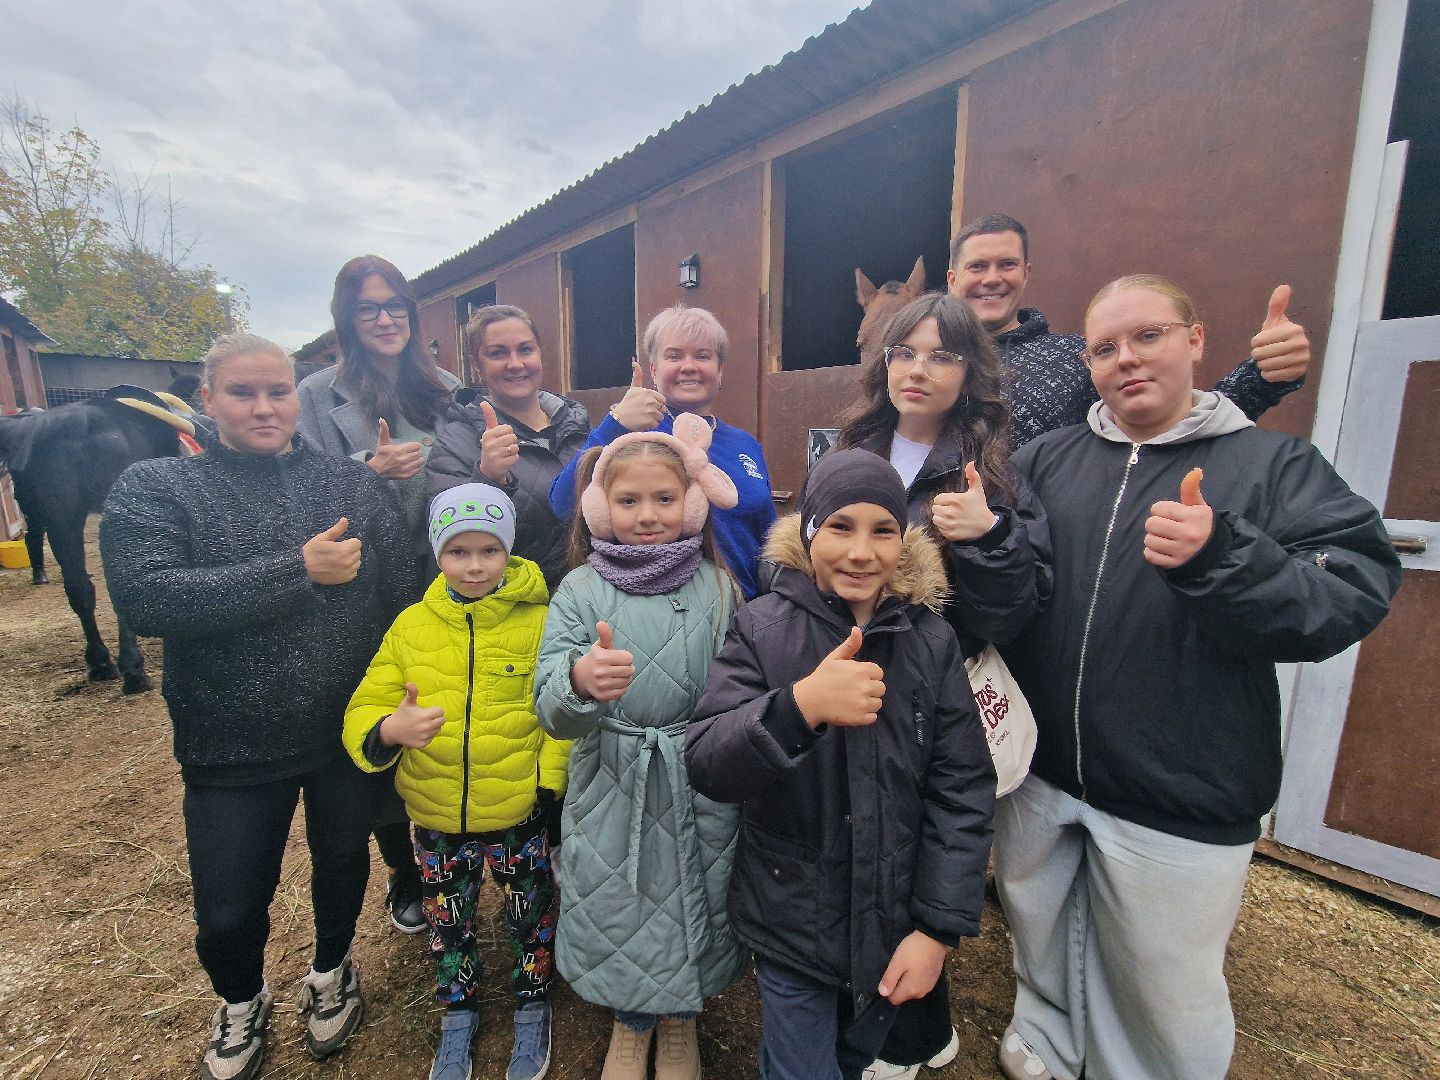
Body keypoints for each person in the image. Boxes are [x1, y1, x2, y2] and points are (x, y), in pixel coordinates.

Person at [992, 275, 1400, 1080]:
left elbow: (1349, 592)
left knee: (1162, 988)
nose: (1125, 360)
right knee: (1039, 931)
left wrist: (1224, 555)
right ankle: (1045, 1037)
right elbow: (1014, 585)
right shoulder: (1047, 458)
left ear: (1195, 341)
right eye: (1105, 348)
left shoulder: (1268, 463)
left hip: (1180, 782)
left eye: (1147, 336)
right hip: (1043, 771)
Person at [100, 333, 417, 1080]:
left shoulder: (352, 485)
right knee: (229, 907)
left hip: (344, 728)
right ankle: (241, 998)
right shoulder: (158, 488)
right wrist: (295, 572)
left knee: (342, 863)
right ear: (209, 401)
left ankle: (333, 967)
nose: (264, 406)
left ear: (296, 397)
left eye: (277, 391)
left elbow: (402, 595)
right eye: (243, 393)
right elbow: (147, 598)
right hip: (230, 738)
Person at [686, 449, 997, 1080]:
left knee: (855, 1059)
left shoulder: (931, 642)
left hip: (893, 920)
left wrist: (936, 929)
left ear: (902, 542)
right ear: (808, 532)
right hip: (792, 915)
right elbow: (709, 761)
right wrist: (798, 707)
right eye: (840, 527)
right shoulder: (763, 630)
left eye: (882, 531)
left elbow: (961, 787)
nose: (861, 552)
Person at [838, 293, 1050, 1079]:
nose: (918, 370)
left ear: (971, 369)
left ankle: (913, 1032)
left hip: (939, 695)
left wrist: (989, 537)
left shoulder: (991, 466)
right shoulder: (852, 446)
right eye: (904, 352)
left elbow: (1018, 610)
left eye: (941, 354)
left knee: (919, 853)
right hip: (858, 677)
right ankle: (901, 1019)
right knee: (864, 846)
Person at [536, 416, 747, 1080]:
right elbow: (547, 703)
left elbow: (741, 684)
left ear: (690, 503)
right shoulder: (578, 591)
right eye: (629, 501)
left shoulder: (718, 587)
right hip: (612, 777)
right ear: (600, 506)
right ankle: (630, 1022)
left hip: (699, 773)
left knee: (697, 889)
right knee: (620, 899)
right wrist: (579, 682)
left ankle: (680, 1020)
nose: (648, 515)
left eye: (664, 499)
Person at [342, 483, 570, 1080]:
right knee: (448, 919)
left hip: (518, 810)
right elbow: (366, 705)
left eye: (488, 550)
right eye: (458, 551)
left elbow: (556, 712)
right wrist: (389, 729)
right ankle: (458, 1010)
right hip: (437, 816)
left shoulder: (542, 621)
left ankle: (532, 1000)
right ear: (438, 555)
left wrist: (548, 786)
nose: (474, 565)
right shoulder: (411, 627)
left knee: (531, 913)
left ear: (509, 552)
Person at [297, 254, 461, 935]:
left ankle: (458, 846)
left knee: (445, 713)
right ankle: (405, 868)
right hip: (363, 586)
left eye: (396, 305)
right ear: (348, 319)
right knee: (385, 712)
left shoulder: (447, 388)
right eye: (369, 308)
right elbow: (300, 486)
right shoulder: (315, 395)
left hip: (440, 577)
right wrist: (368, 469)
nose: (386, 318)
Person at [946, 213, 1312, 447]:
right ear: (953, 279)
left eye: (1006, 264)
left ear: (1025, 273)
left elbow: (1179, 420)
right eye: (977, 266)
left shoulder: (1078, 358)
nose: (992, 278)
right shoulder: (919, 358)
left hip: (1037, 550)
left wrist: (1266, 376)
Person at [549, 304, 776, 599]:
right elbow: (562, 504)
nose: (689, 366)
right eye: (674, 355)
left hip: (746, 614)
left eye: (703, 356)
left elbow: (768, 535)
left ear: (720, 371)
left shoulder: (745, 444)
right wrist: (615, 423)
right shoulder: (632, 437)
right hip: (662, 615)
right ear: (654, 370)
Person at [427, 304, 591, 592]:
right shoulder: (457, 441)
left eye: (525, 349)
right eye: (498, 353)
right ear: (477, 365)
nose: (515, 363)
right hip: (512, 609)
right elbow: (449, 542)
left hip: (587, 601)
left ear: (540, 353)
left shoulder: (579, 426)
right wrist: (487, 479)